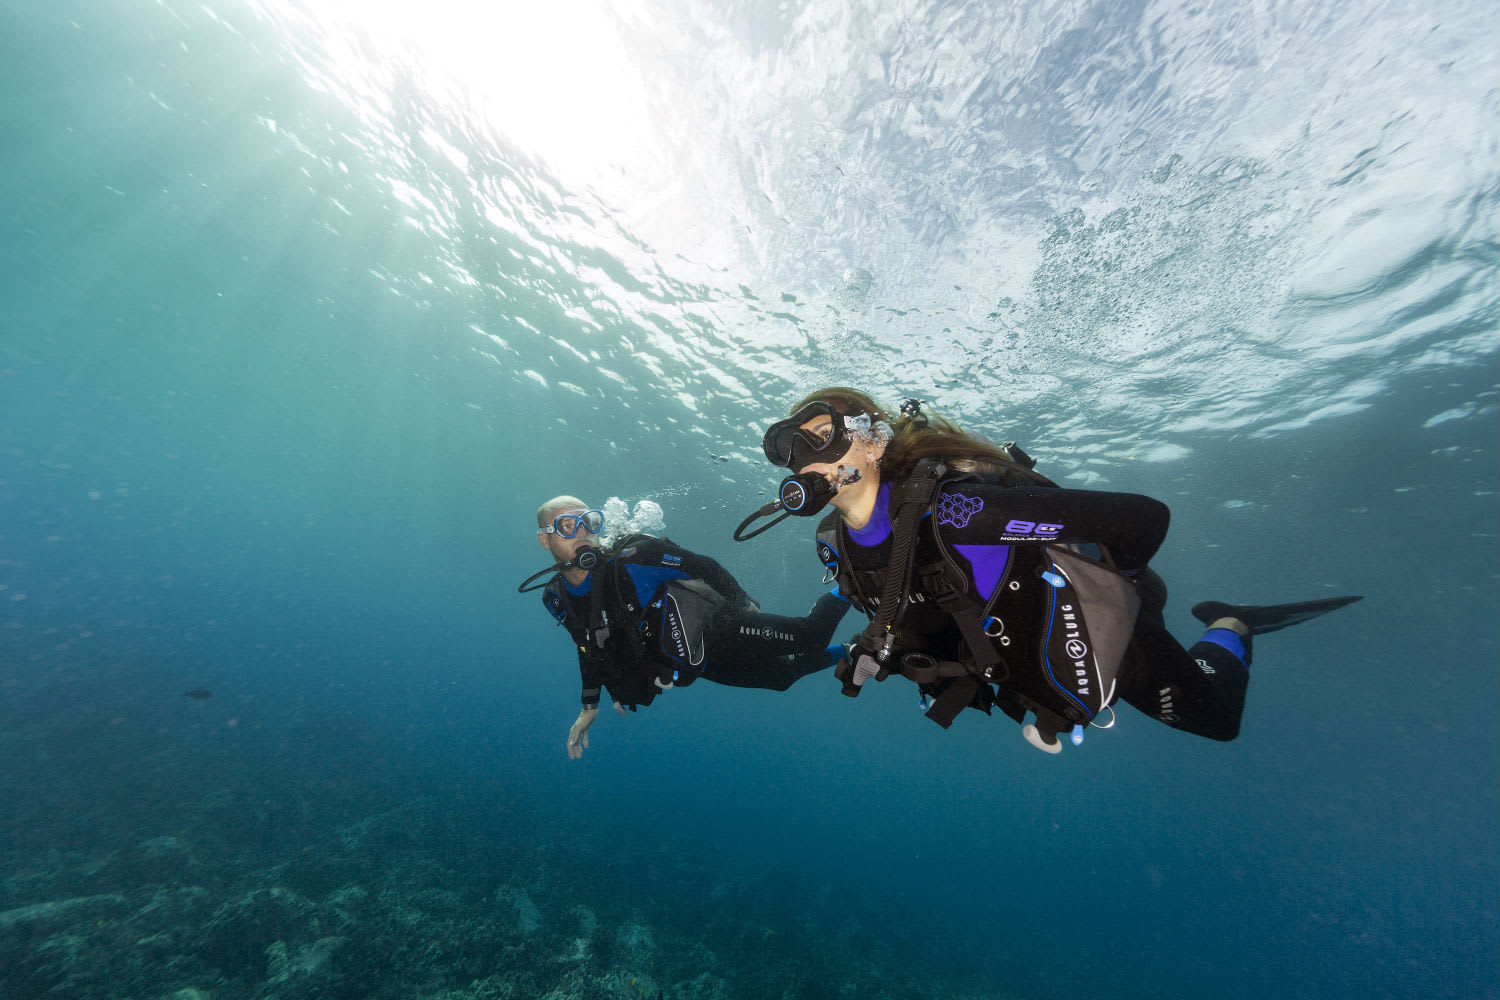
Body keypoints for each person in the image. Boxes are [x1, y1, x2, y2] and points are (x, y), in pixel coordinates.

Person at [743, 388, 1361, 753]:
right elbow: (923, 614)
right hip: (1029, 669)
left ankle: (1231, 623)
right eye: (793, 448)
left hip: (1097, 632)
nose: (805, 460)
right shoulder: (833, 546)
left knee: (1214, 721)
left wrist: (1097, 623)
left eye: (822, 437)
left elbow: (1143, 522)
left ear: (874, 442)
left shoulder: (958, 511)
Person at [522, 496, 850, 758]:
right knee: (782, 678)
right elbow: (587, 647)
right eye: (567, 526)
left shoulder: (637, 558)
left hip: (718, 625)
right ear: (544, 539)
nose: (582, 533)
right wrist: (590, 704)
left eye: (589, 523)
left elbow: (702, 565)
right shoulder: (555, 598)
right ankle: (850, 651)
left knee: (811, 635)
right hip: (696, 660)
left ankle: (853, 581)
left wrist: (742, 604)